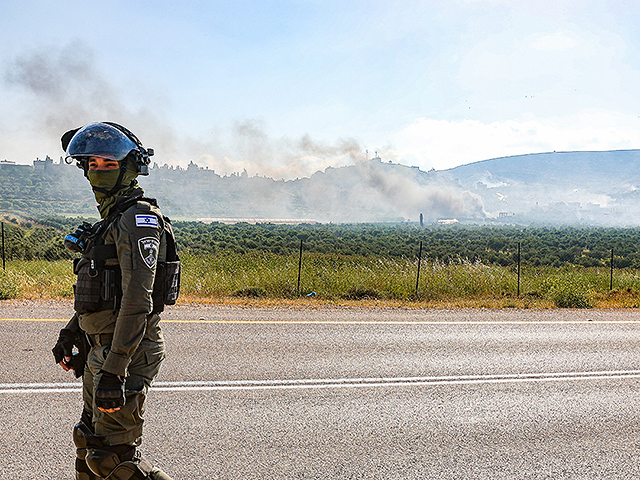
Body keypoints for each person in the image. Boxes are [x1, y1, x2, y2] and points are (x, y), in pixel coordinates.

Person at [52, 122, 180, 480]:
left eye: (109, 165)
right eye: (92, 164)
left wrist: (114, 371)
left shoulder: (138, 221)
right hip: (102, 347)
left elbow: (137, 302)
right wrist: (73, 330)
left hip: (127, 350)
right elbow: (105, 294)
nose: (98, 172)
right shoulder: (111, 220)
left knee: (114, 459)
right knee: (89, 444)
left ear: (129, 169)